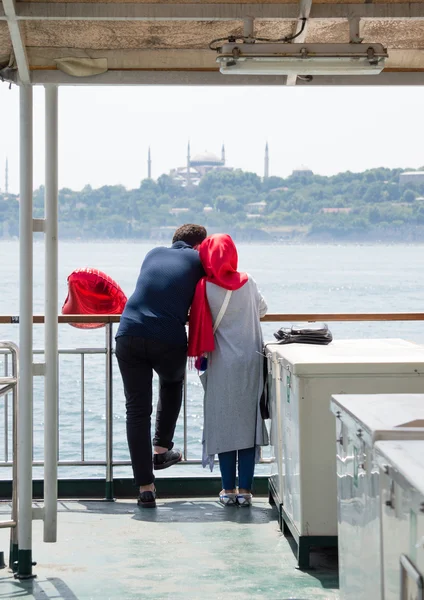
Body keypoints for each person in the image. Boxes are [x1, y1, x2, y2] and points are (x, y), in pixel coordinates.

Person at [115, 224, 207, 508]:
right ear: (199, 245)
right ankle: (161, 449)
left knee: (137, 410)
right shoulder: (199, 260)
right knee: (171, 383)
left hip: (128, 332)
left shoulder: (153, 252)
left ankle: (145, 487)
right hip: (166, 337)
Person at [188, 233, 268, 507]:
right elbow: (263, 309)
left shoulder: (204, 287)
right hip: (250, 361)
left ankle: (227, 490)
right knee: (247, 425)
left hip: (221, 364)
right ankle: (246, 491)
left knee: (224, 425)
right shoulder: (249, 281)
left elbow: (198, 322)